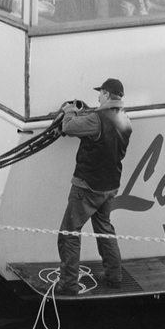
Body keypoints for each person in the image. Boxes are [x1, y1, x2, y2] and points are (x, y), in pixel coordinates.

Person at [55, 78, 132, 293]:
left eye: (100, 93)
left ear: (106, 94)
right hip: (110, 186)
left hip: (87, 186)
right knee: (104, 229)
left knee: (69, 233)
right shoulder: (125, 119)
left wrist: (69, 110)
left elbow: (68, 127)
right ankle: (114, 276)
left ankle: (68, 283)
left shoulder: (97, 119)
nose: (98, 97)